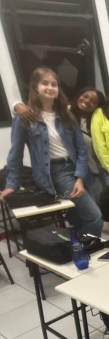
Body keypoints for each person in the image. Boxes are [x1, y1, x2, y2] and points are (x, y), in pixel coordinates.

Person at [1, 66, 103, 237]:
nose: (50, 87)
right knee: (95, 218)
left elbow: (81, 150)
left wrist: (80, 177)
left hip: (79, 170)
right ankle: (82, 249)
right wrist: (11, 184)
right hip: (57, 174)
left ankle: (77, 248)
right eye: (45, 83)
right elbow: (15, 154)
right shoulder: (25, 118)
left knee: (79, 218)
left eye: (54, 84)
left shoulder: (66, 115)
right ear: (35, 87)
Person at [68, 87, 108, 202]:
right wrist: (20, 107)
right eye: (85, 96)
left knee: (104, 202)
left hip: (99, 170)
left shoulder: (98, 120)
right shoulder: (66, 113)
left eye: (93, 101)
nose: (86, 101)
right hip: (78, 172)